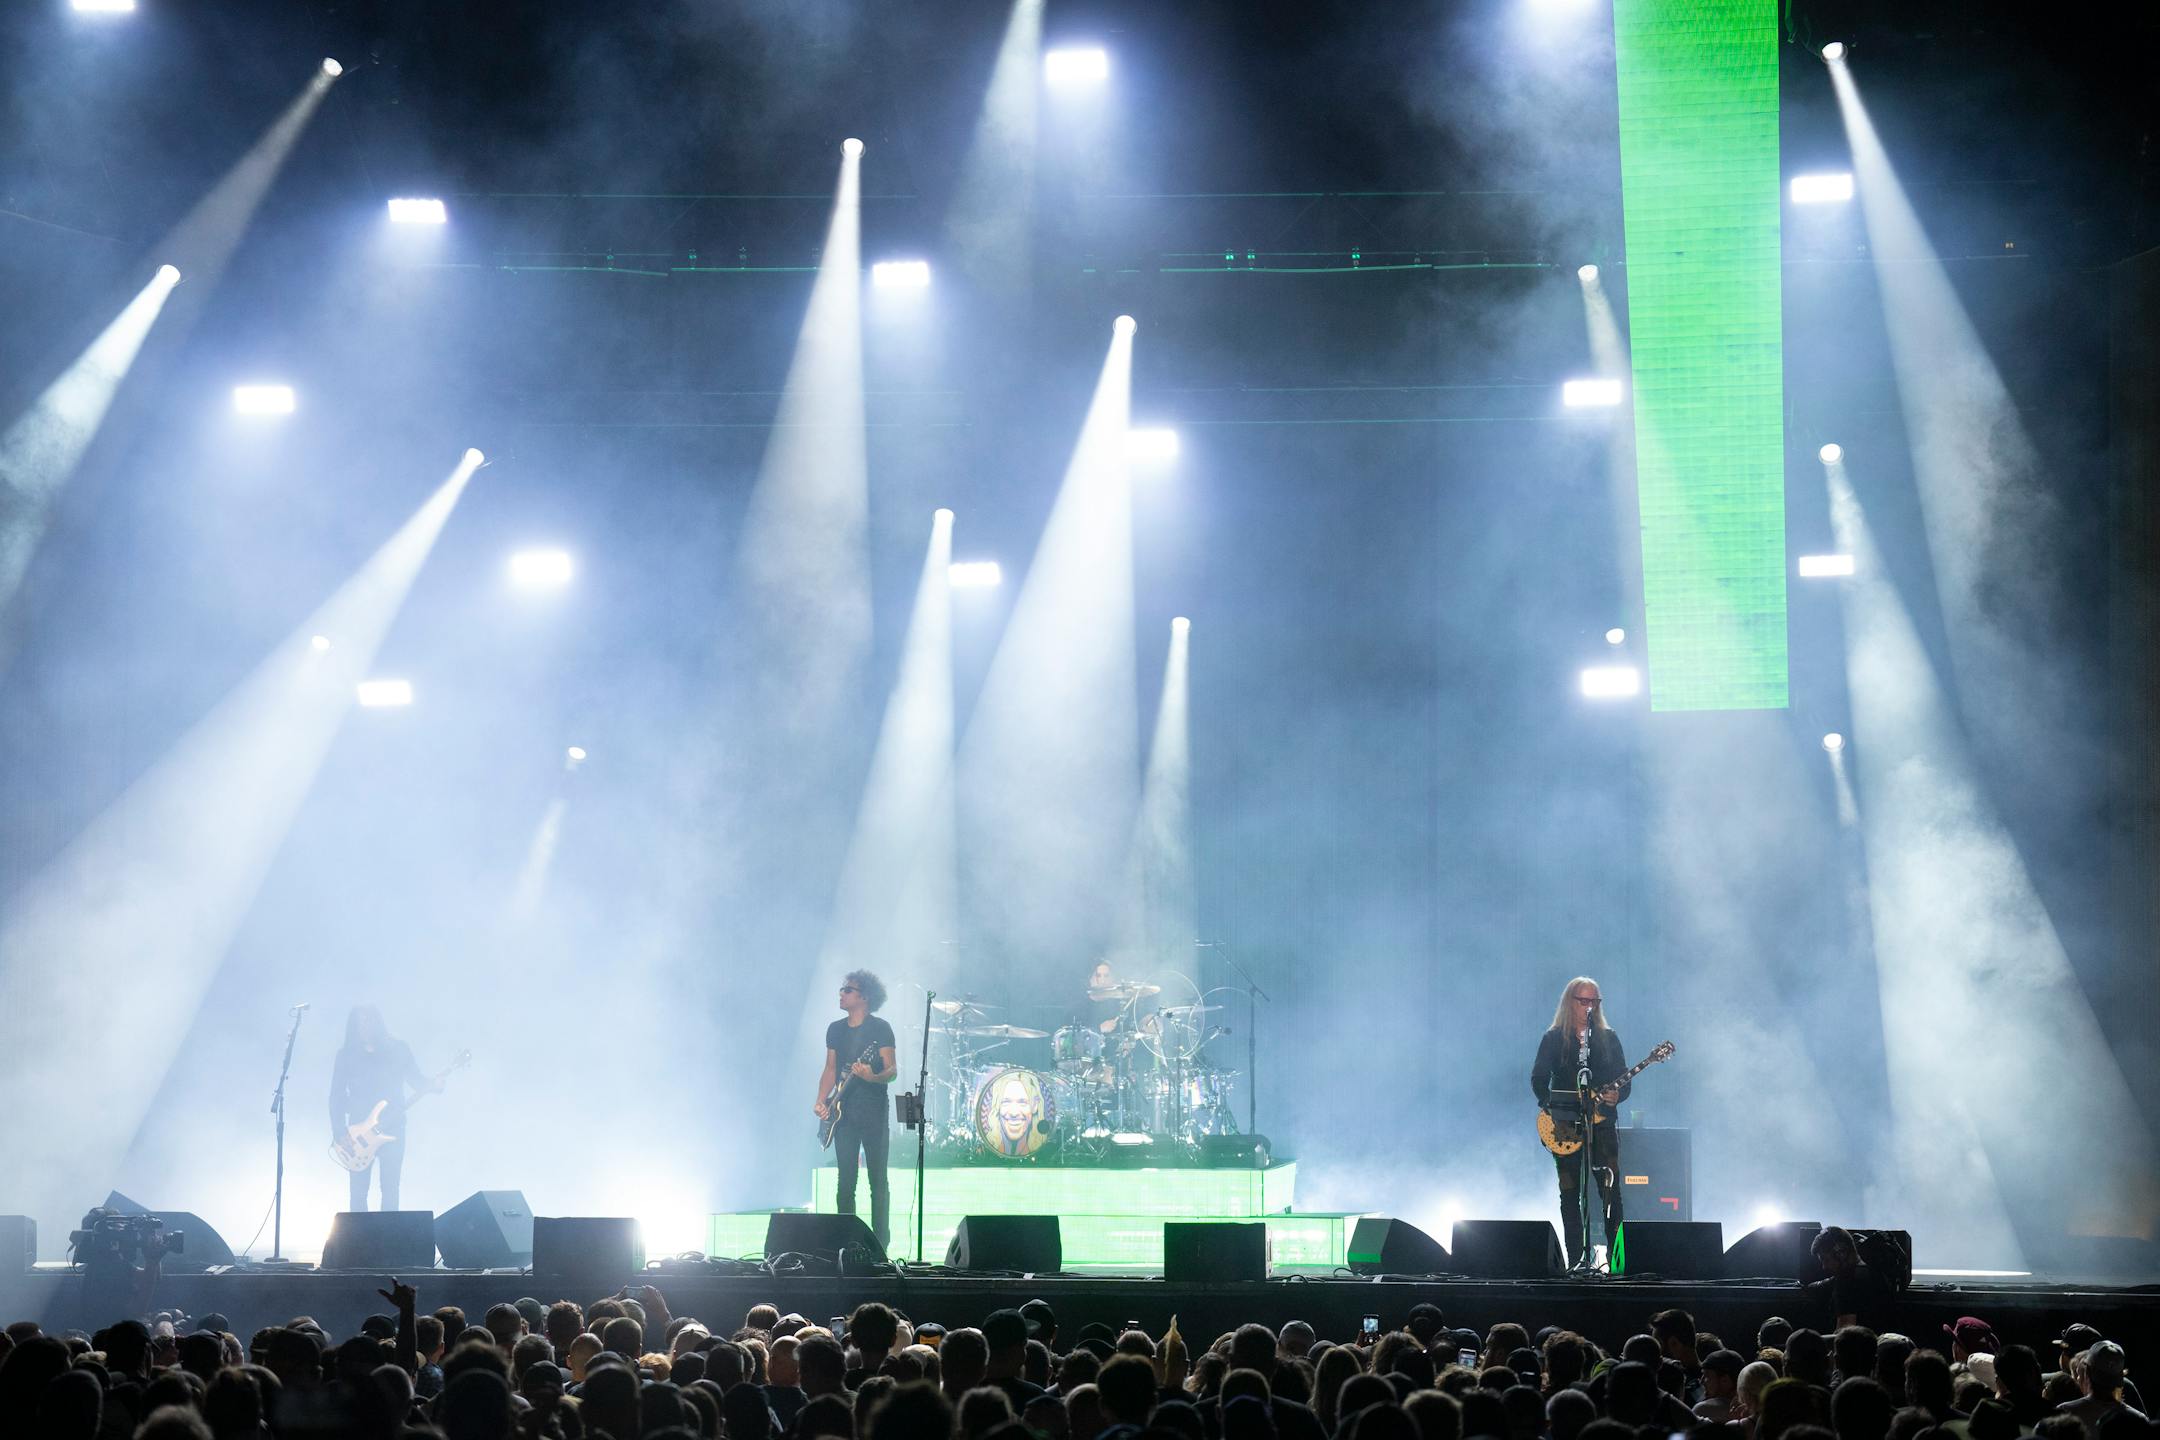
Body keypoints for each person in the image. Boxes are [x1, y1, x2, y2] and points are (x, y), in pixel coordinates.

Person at [1529, 978, 1629, 1269]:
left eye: (1594, 1002)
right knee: (1570, 1194)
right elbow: (1538, 1079)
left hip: (1603, 1126)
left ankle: (1616, 1263)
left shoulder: (1608, 1038)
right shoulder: (1553, 1038)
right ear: (1569, 1002)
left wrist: (1616, 1095)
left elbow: (1624, 1080)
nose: (1588, 1007)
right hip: (1563, 1125)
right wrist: (1551, 1106)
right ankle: (1576, 1261)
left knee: (1611, 1194)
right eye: (1583, 1001)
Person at [814, 971, 898, 1249]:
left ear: (864, 997)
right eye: (842, 989)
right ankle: (845, 1243)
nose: (841, 994)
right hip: (843, 1114)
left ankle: (880, 1245)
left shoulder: (881, 1028)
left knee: (878, 1181)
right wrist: (821, 1100)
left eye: (847, 990)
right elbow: (830, 1069)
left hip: (873, 1111)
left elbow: (891, 1070)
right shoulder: (835, 1029)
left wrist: (870, 1077)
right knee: (845, 1181)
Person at [329, 1006, 438, 1213]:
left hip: (394, 1128)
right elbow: (336, 1096)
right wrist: (339, 1131)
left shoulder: (398, 1050)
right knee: (358, 1193)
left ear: (378, 1023)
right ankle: (359, 1242)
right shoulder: (345, 1056)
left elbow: (416, 1081)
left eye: (369, 1021)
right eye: (360, 1022)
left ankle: (389, 1242)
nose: (365, 1026)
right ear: (353, 1027)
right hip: (357, 1133)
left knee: (390, 1189)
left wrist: (435, 1085)